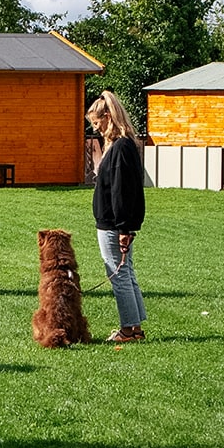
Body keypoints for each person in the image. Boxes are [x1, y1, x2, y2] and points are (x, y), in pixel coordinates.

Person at [87, 91, 147, 342]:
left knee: (119, 274)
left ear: (108, 117)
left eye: (97, 123)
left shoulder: (121, 148)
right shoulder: (125, 145)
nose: (96, 129)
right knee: (127, 273)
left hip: (113, 224)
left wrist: (124, 228)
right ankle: (135, 328)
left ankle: (128, 329)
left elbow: (122, 191)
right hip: (117, 223)